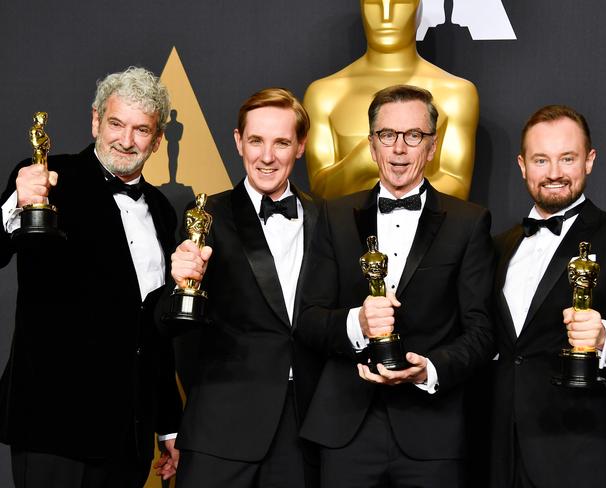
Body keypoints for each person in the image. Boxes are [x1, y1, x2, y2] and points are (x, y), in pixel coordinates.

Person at [297, 84, 494, 488]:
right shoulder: (333, 216)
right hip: (346, 430)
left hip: (432, 431)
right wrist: (358, 324)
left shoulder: (468, 222)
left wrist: (429, 370)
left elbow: (481, 331)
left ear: (432, 146)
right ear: (372, 145)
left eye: (413, 136)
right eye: (388, 135)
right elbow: (309, 319)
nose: (399, 149)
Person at [0, 66, 183, 488]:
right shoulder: (45, 180)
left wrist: (168, 425)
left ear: (157, 140)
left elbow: (153, 331)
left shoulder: (161, 209)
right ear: (95, 120)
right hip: (54, 433)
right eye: (116, 123)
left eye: (141, 130)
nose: (125, 140)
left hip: (128, 439)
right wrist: (14, 206)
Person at [160, 87, 322, 488]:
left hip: (304, 431)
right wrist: (178, 282)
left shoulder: (327, 219)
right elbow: (173, 324)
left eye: (281, 142)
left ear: (300, 146)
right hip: (221, 427)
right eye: (256, 141)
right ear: (238, 142)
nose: (267, 157)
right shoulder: (205, 216)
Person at [490, 105, 606, 488]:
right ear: (522, 164)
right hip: (501, 454)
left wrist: (604, 337)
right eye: (541, 159)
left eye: (568, 158)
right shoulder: (499, 245)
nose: (555, 173)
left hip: (583, 456)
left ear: (589, 161)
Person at [304, 0, 478, 200]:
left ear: (418, 9)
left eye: (400, 3)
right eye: (373, 4)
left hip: (429, 229)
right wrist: (364, 159)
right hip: (347, 229)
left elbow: (457, 188)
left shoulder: (456, 93)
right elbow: (320, 192)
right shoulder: (324, 95)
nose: (386, 16)